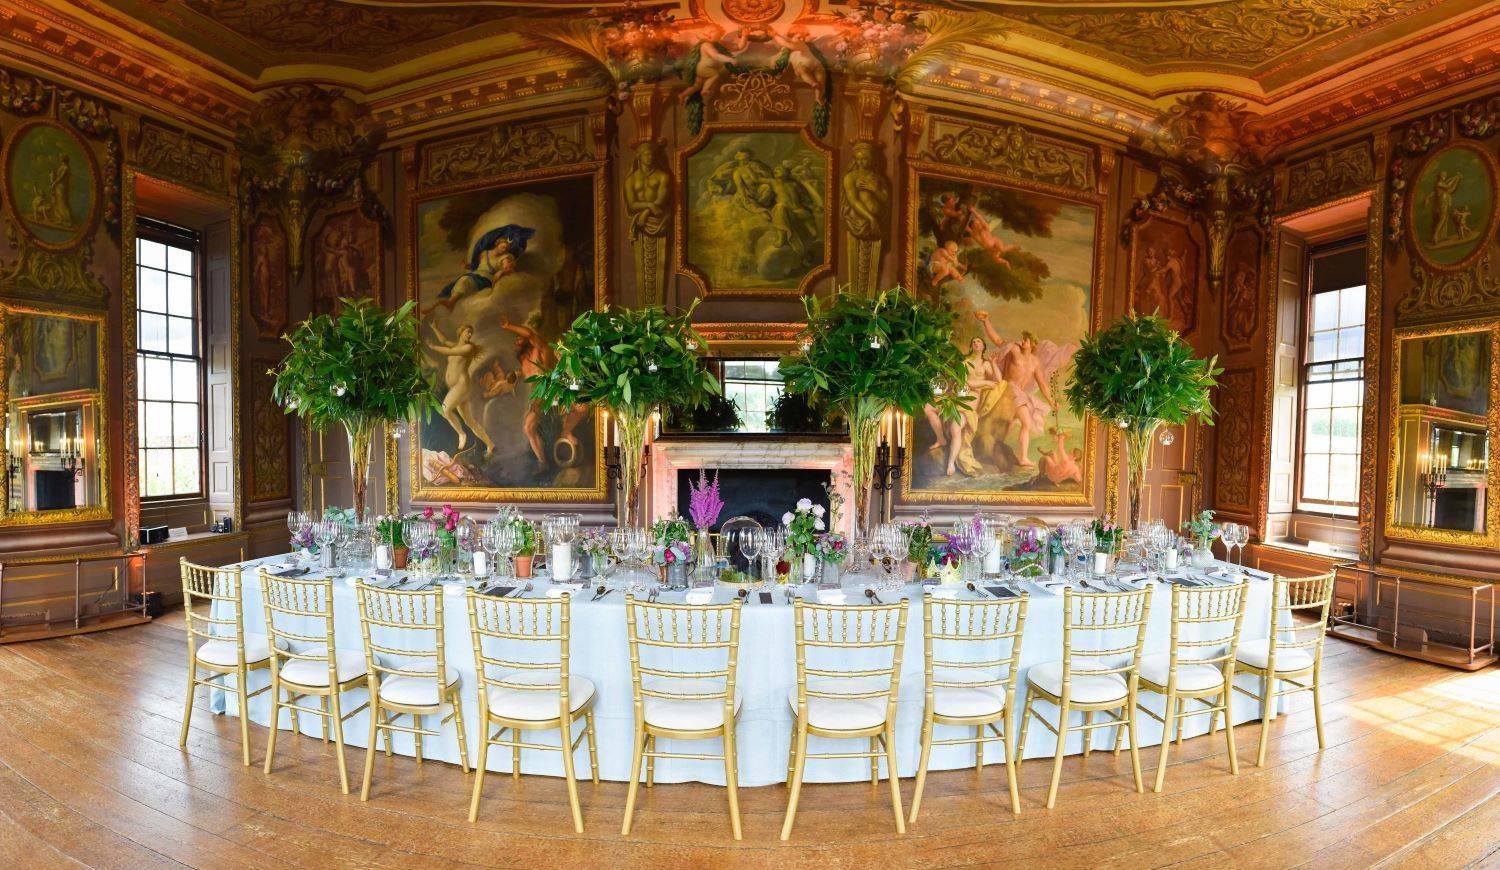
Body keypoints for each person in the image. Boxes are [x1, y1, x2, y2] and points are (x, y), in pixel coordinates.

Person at [431, 224, 534, 311]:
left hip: (485, 279)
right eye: (503, 247)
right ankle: (447, 303)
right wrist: (467, 266)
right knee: (451, 287)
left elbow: (509, 269)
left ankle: (451, 303)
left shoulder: (505, 257)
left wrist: (501, 272)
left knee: (465, 280)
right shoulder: (484, 253)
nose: (504, 249)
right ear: (497, 244)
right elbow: (477, 266)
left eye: (506, 248)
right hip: (475, 274)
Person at [429, 323, 494, 455]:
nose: (469, 334)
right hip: (457, 386)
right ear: (461, 332)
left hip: (462, 384)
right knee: (469, 421)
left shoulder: (468, 348)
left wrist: (432, 346)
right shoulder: (457, 345)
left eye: (471, 333)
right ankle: (490, 444)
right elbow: (444, 341)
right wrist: (435, 327)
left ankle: (461, 434)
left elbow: (449, 351)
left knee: (445, 410)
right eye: (467, 331)